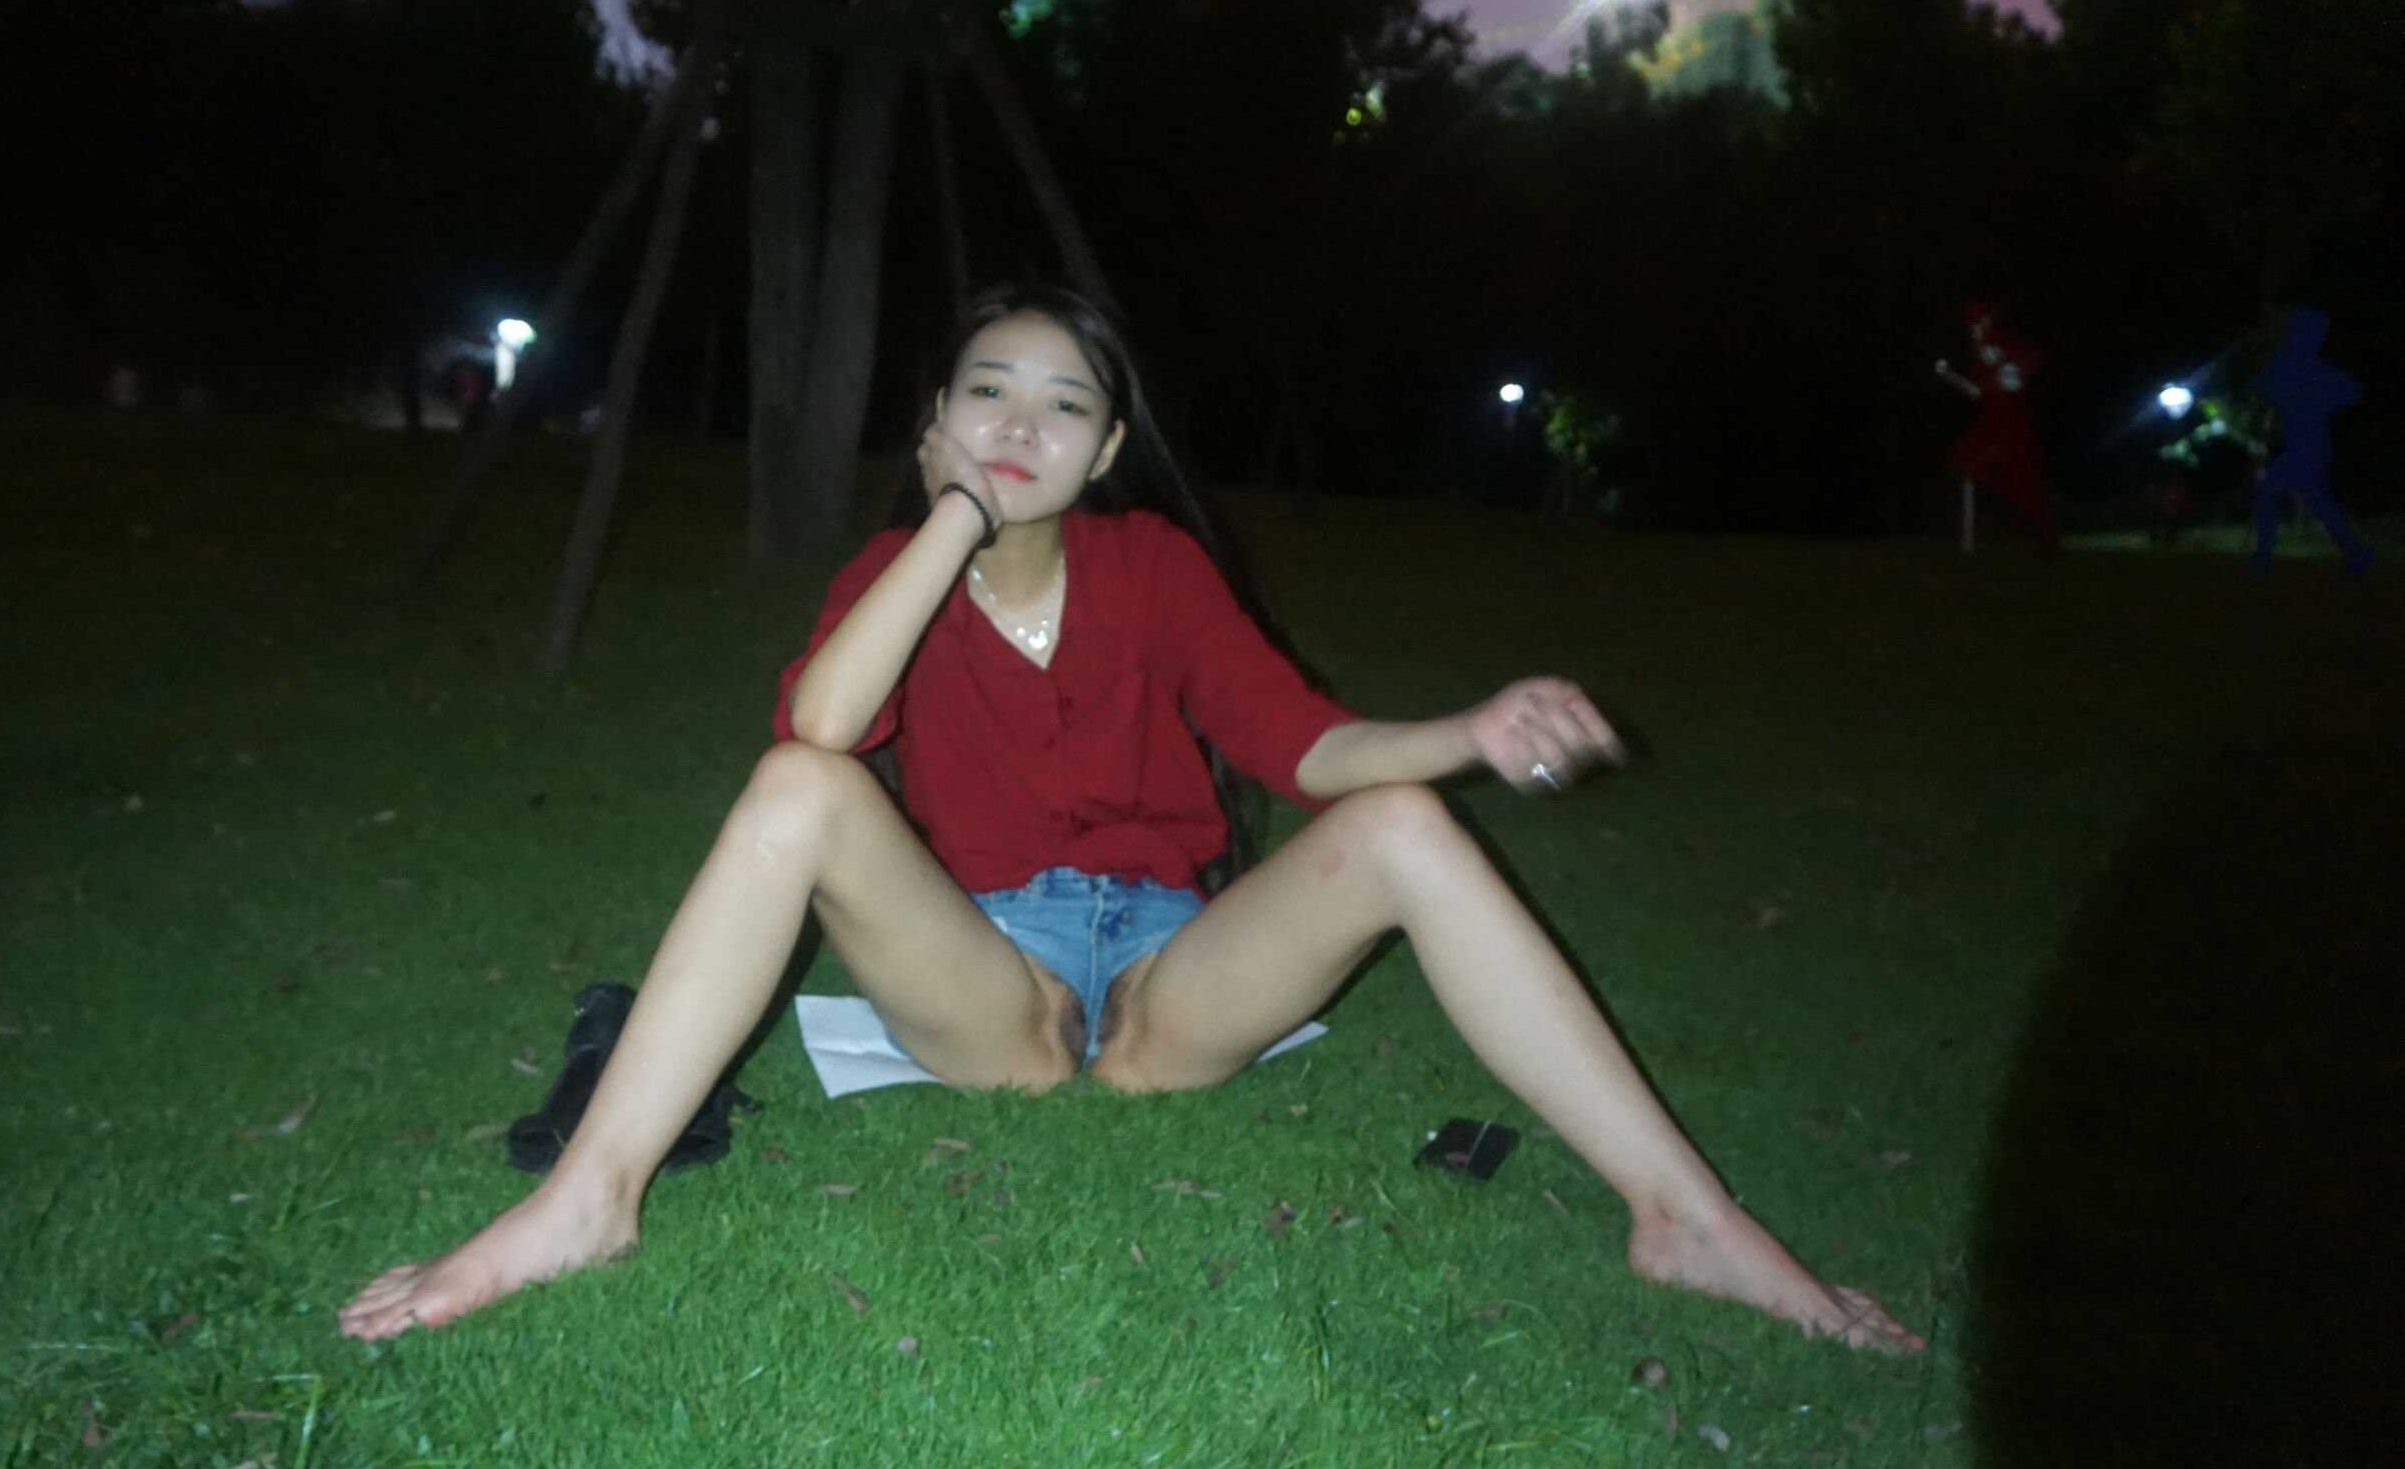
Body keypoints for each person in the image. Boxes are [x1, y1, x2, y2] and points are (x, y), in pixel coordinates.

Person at [338, 284, 1922, 1353]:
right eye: (986, 394)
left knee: (1408, 828)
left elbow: (1304, 748)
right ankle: (588, 1198)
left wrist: (1470, 734)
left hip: (1177, 982)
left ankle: (1685, 1215)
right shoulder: (891, 584)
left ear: (1105, 452)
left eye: (1063, 407)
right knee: (794, 789)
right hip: (995, 989)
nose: (1019, 425)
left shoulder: (1154, 569)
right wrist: (953, 521)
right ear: (934, 421)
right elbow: (821, 729)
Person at [2247, 306, 2371, 575]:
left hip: (2309, 443)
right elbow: (2263, 388)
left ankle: (2265, 555)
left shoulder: (2308, 369)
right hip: (2302, 443)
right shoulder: (2292, 365)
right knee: (2309, 498)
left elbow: (2351, 392)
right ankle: (2355, 552)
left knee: (2284, 493)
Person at [1939, 300, 2060, 555]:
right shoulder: (1977, 355)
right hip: (1992, 420)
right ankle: (1981, 529)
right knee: (1967, 463)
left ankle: (2044, 537)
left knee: (2022, 476)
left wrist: (2013, 370)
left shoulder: (2002, 342)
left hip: (2012, 421)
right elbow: (1976, 391)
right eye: (1971, 325)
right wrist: (1949, 375)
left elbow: (2030, 360)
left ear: (1986, 322)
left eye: (1977, 323)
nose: (1973, 330)